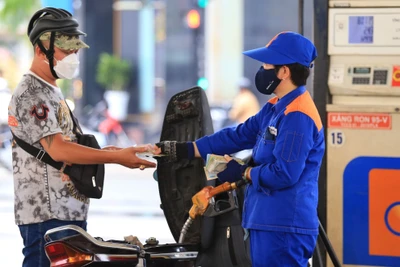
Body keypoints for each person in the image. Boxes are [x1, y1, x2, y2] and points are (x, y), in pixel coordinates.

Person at [156, 31, 325, 266]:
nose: (262, 69)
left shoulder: (298, 115)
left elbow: (284, 173)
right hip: (267, 222)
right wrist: (187, 149)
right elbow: (239, 135)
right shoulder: (275, 107)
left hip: (284, 225)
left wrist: (244, 172)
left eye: (267, 63)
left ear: (284, 71)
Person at [7, 7, 156, 267]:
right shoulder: (32, 92)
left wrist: (114, 151)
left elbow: (69, 145)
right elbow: (59, 150)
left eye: (75, 50)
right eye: (66, 50)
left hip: (65, 212)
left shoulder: (50, 89)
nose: (73, 56)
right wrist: (118, 158)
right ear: (42, 50)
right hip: (47, 217)